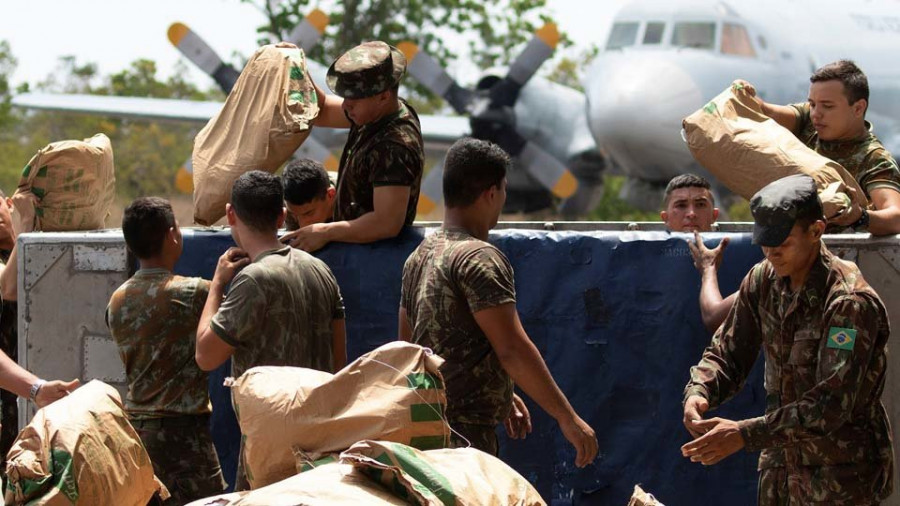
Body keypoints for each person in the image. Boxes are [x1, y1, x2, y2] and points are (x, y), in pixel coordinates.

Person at [681, 174, 893, 505]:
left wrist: (743, 434)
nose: (772, 253)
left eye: (783, 244)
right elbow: (728, 353)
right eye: (766, 243)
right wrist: (699, 392)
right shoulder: (764, 279)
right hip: (780, 476)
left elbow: (829, 406)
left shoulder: (847, 302)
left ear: (816, 231)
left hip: (839, 481)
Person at [399, 138, 598, 467]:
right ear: (491, 193)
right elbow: (512, 349)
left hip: (425, 426)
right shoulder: (480, 257)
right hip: (465, 439)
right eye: (503, 190)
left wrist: (501, 394)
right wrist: (568, 419)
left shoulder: (420, 255)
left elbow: (408, 348)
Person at [194, 171, 346, 490]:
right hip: (321, 452)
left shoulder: (252, 280)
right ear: (281, 216)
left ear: (231, 214)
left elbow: (206, 356)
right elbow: (339, 363)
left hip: (269, 456)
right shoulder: (321, 270)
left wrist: (218, 285)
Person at [106, 197, 227, 503]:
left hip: (137, 436)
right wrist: (219, 282)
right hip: (185, 437)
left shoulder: (117, 300)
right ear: (172, 234)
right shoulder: (193, 292)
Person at [283, 41, 425, 252]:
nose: (345, 105)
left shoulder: (395, 146)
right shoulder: (372, 112)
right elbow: (320, 111)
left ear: (384, 96)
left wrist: (326, 232)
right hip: (354, 251)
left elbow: (386, 223)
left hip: (371, 260)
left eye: (354, 100)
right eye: (345, 97)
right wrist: (295, 65)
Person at [739, 59, 900, 235]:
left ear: (858, 108)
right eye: (813, 104)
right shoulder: (808, 121)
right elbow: (766, 112)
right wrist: (746, 95)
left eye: (828, 106)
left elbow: (895, 217)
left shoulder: (873, 159)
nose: (816, 114)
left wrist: (859, 217)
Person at [0, 189, 78, 480]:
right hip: (12, 393)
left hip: (46, 385)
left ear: (9, 204)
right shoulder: (25, 244)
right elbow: (8, 288)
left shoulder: (39, 244)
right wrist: (25, 232)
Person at [282, 158, 336, 230]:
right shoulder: (289, 205)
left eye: (308, 213)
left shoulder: (351, 198)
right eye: (294, 215)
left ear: (330, 195)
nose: (302, 225)